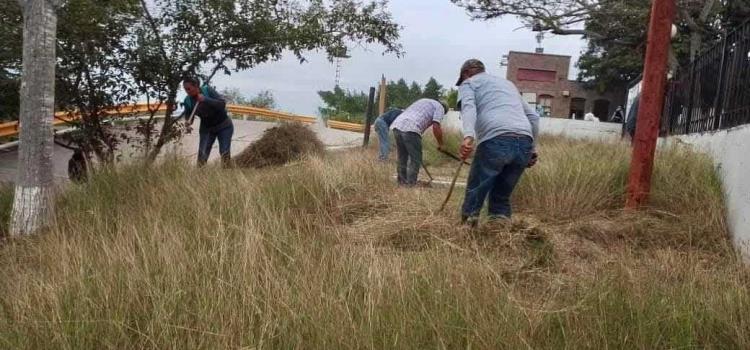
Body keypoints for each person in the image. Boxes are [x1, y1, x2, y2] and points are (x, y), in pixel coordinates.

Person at [455, 59, 540, 226]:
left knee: (476, 190)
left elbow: (469, 108)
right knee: (501, 196)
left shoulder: (469, 84)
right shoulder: (508, 85)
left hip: (496, 139)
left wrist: (468, 137)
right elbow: (534, 118)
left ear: (466, 74)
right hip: (524, 142)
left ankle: (467, 230)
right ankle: (500, 234)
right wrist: (531, 148)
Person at [390, 98, 447, 186]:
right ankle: (411, 184)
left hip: (397, 125)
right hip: (411, 128)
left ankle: (401, 182)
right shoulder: (440, 108)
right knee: (415, 159)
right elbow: (436, 126)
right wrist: (441, 144)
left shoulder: (424, 101)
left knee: (402, 156)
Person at [181, 77, 234, 167]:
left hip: (224, 126)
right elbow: (189, 117)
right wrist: (188, 124)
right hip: (207, 129)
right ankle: (199, 176)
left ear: (196, 86)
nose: (187, 91)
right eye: (185, 89)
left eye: (188, 88)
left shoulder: (208, 90)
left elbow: (222, 104)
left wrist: (206, 99)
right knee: (202, 154)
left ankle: (227, 174)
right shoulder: (187, 101)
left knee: (224, 151)